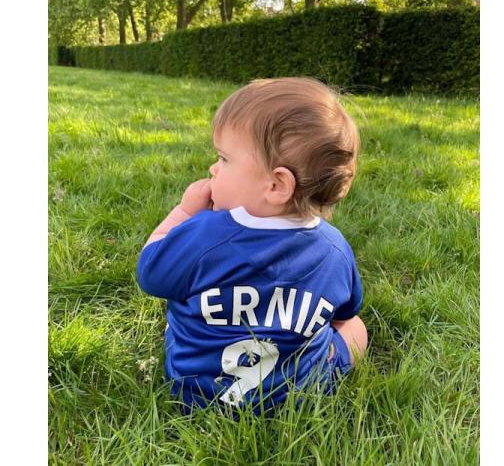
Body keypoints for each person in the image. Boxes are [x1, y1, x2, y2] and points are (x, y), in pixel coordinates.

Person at [136, 77, 368, 415]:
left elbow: (149, 271)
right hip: (298, 398)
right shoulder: (334, 249)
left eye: (224, 159)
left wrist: (184, 211)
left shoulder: (202, 233)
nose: (213, 168)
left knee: (177, 309)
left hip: (196, 395)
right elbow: (345, 313)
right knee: (354, 327)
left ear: (276, 184)